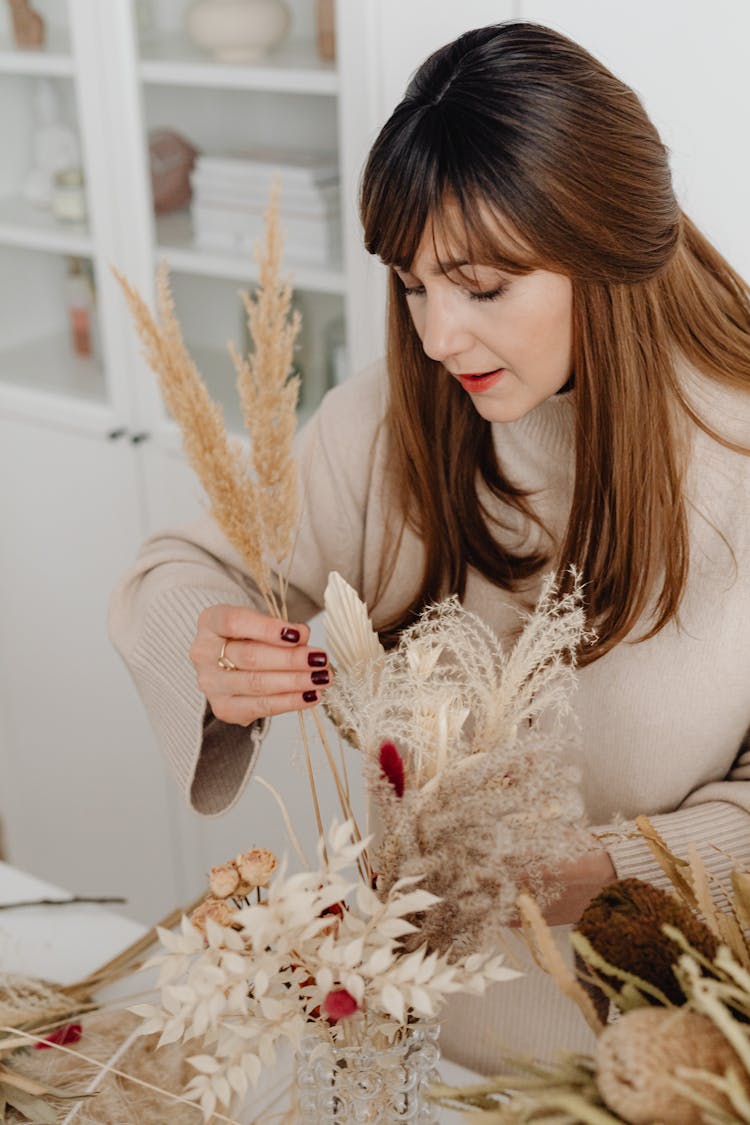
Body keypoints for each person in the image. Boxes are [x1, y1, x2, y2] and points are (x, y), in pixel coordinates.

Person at [110, 21, 750, 1070]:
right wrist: (209, 641)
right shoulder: (393, 421)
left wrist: (604, 871)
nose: (437, 336)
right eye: (412, 286)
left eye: (483, 286)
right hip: (408, 1057)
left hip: (646, 1072)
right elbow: (182, 566)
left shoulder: (736, 453)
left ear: (605, 250)